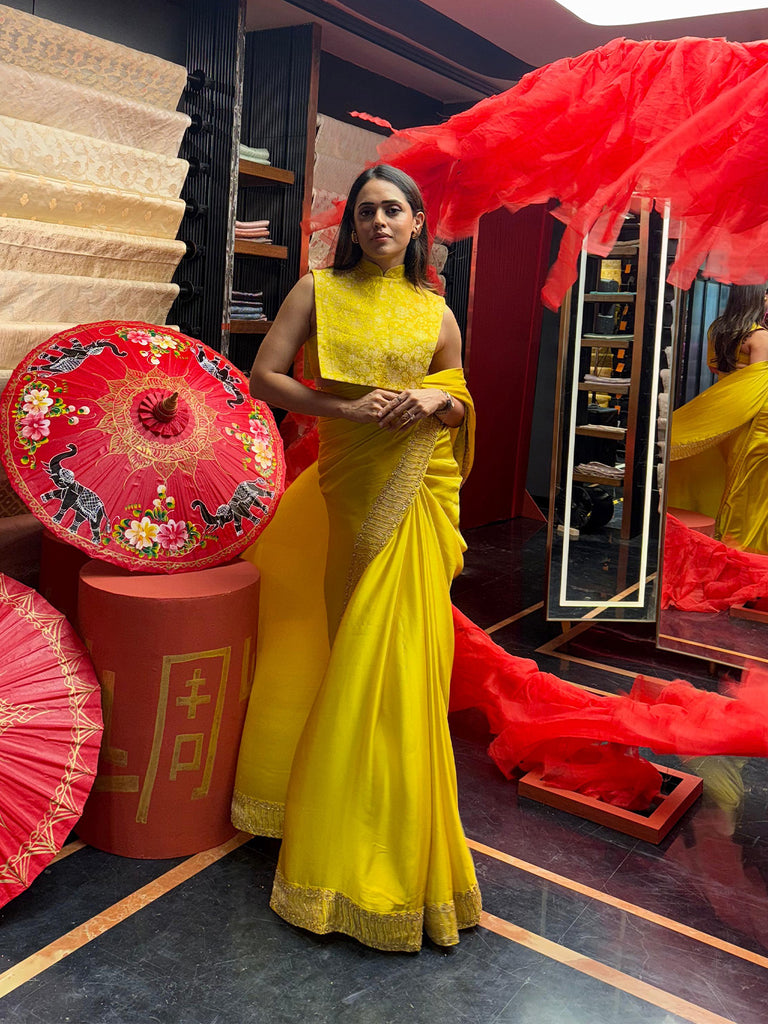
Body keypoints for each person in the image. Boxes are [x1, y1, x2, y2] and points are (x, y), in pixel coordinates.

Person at [232, 164, 481, 952]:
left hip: (420, 499)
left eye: (395, 211)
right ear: (355, 224)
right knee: (354, 657)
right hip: (351, 490)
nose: (380, 222)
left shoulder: (438, 313)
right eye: (369, 211)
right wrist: (343, 406)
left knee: (404, 668)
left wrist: (439, 401)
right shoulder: (315, 290)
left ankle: (394, 840)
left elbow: (461, 400)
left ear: (416, 225)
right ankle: (337, 832)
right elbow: (262, 378)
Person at [669, 283, 768, 553]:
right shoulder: (759, 337)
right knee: (748, 485)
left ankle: (726, 537)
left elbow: (714, 366)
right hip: (755, 419)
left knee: (730, 475)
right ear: (757, 298)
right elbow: (756, 386)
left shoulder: (718, 329)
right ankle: (742, 546)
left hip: (726, 413)